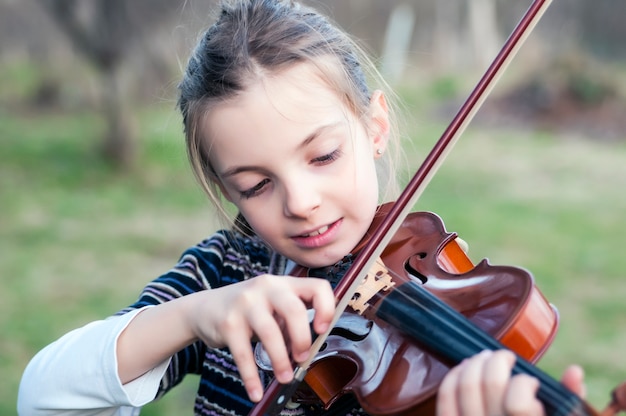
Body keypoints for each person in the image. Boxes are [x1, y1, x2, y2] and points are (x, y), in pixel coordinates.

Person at [18, 0, 586, 415]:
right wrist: (195, 315)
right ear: (225, 188)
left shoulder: (446, 286)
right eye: (256, 185)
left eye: (324, 156)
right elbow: (43, 397)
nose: (301, 203)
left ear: (376, 127)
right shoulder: (228, 272)